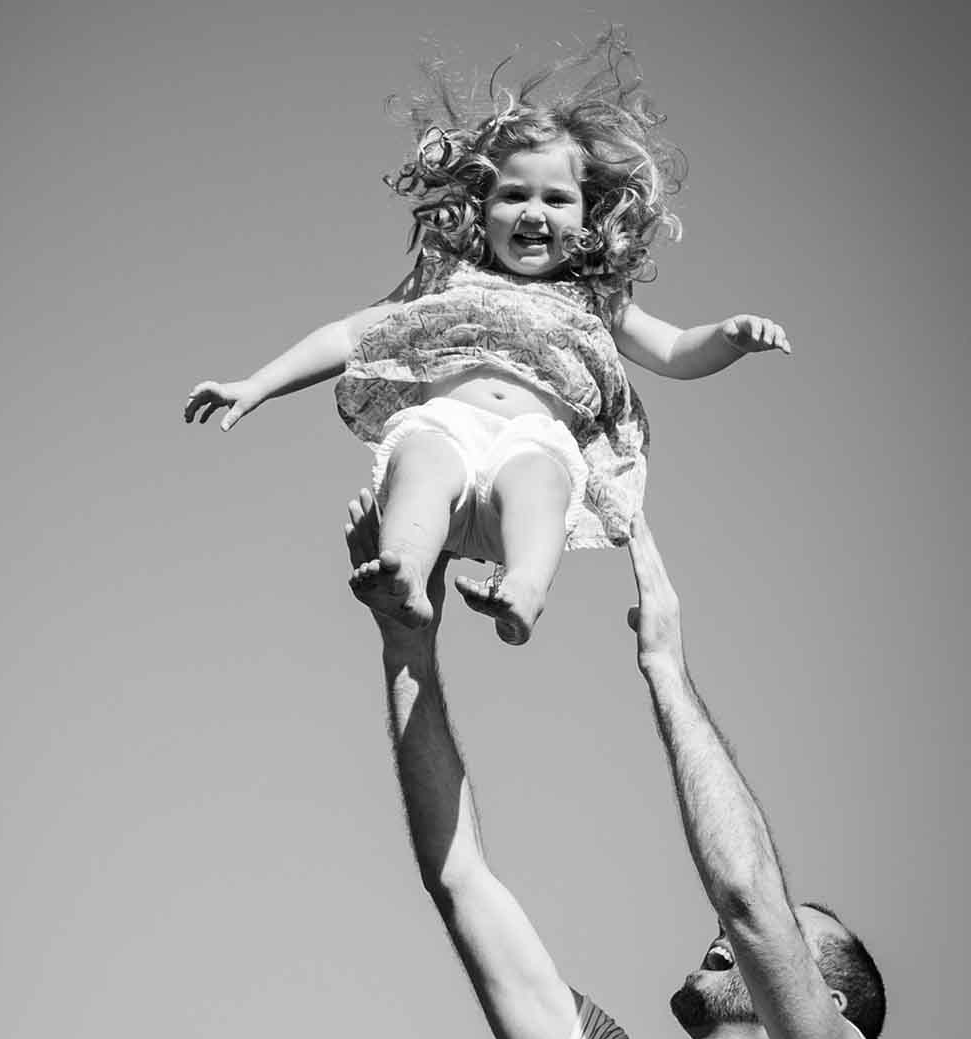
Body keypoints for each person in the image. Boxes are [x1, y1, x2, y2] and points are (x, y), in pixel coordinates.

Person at [343, 490, 894, 1039]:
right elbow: (460, 881)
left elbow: (750, 899)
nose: (727, 932)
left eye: (795, 940)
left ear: (832, 1009)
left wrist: (666, 670)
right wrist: (406, 646)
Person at [186, 30, 789, 646]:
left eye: (557, 198)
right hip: (448, 426)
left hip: (531, 444)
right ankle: (409, 580)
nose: (534, 212)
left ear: (589, 216)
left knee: (540, 477)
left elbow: (675, 351)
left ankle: (523, 591)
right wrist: (256, 384)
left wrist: (730, 337)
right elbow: (349, 333)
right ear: (482, 204)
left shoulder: (595, 298)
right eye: (514, 195)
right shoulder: (447, 279)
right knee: (421, 461)